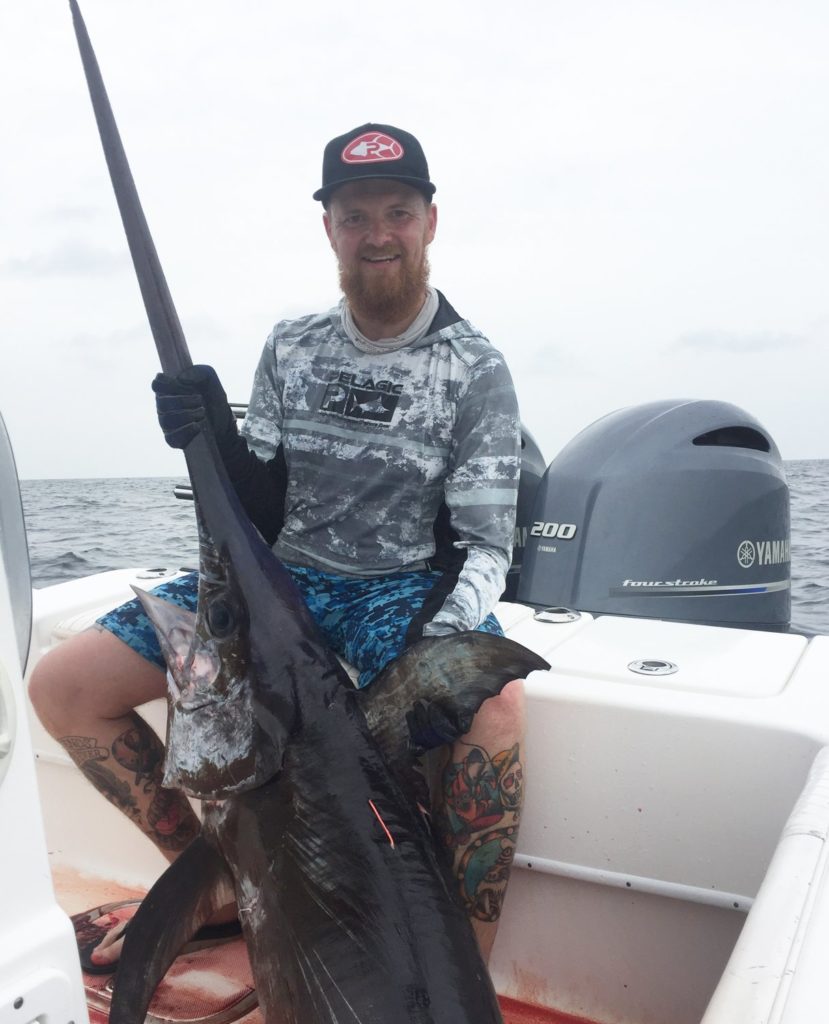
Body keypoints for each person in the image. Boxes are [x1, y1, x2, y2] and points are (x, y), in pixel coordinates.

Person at [29, 122, 525, 972]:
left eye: (396, 213)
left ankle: (456, 970)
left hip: (395, 594)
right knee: (63, 686)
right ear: (329, 228)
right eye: (355, 215)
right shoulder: (290, 345)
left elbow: (486, 546)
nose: (377, 234)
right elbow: (260, 509)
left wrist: (435, 648)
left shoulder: (474, 366)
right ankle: (216, 886)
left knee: (498, 717)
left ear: (429, 223)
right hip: (277, 581)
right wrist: (215, 435)